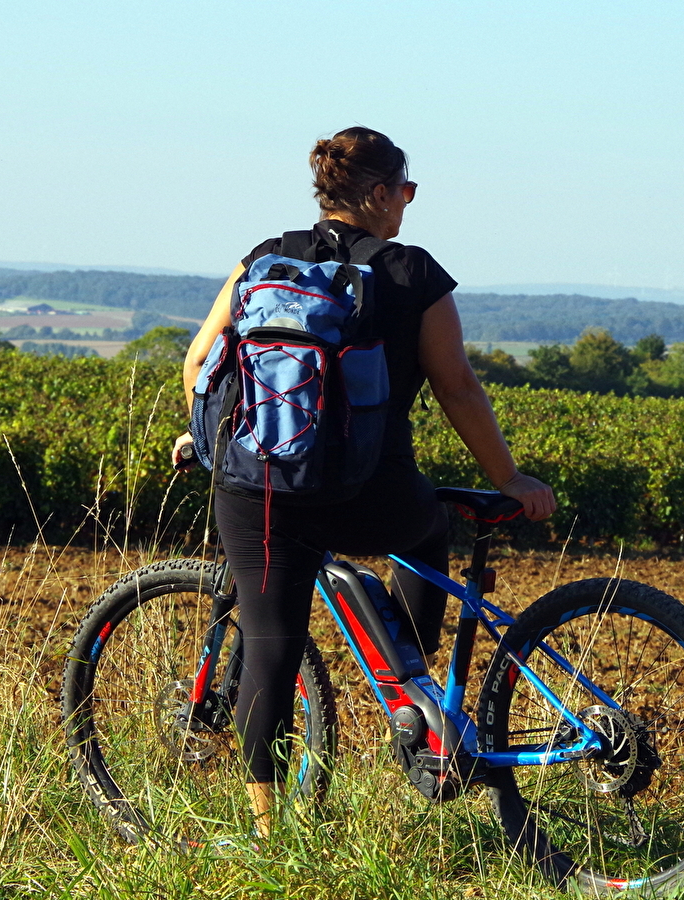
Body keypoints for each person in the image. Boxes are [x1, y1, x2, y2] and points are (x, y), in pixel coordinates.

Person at [172, 126, 554, 837]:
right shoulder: (412, 273)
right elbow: (459, 387)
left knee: (271, 645)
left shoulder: (263, 259)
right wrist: (509, 476)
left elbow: (200, 362)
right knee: (429, 523)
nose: (407, 205)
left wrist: (205, 435)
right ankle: (414, 692)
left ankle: (268, 837)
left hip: (260, 492)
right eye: (404, 192)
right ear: (377, 195)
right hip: (370, 496)